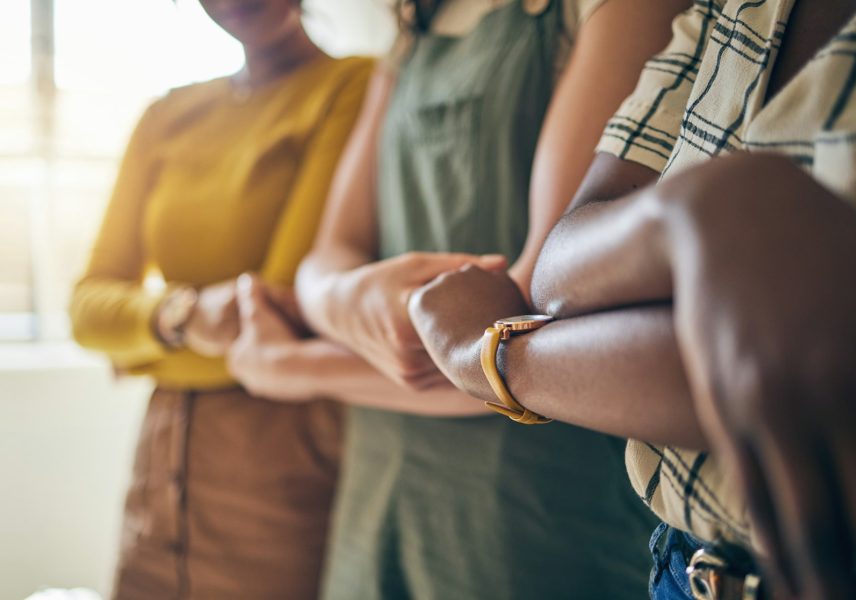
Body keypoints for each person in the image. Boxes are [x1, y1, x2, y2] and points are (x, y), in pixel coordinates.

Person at [225, 0, 689, 597]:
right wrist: (351, 293)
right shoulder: (410, 32)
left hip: (531, 512)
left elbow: (530, 324)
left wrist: (291, 368)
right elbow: (327, 257)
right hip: (380, 494)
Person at [408, 1, 856, 598]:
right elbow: (558, 274)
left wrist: (486, 354)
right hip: (681, 570)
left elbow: (803, 365)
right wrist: (690, 214)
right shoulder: (729, 8)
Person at [68, 0, 372, 597]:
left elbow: (279, 317)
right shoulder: (166, 114)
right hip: (160, 457)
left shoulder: (350, 86)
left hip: (282, 452)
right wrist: (177, 316)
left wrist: (138, 344)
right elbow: (85, 308)